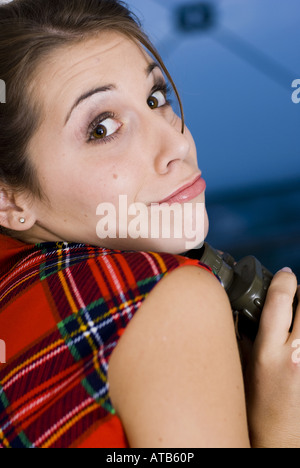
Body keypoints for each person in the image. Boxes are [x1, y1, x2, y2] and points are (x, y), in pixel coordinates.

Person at [0, 0, 299, 448]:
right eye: (102, 128)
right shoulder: (169, 297)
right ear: (8, 198)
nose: (174, 145)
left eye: (155, 98)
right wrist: (280, 427)